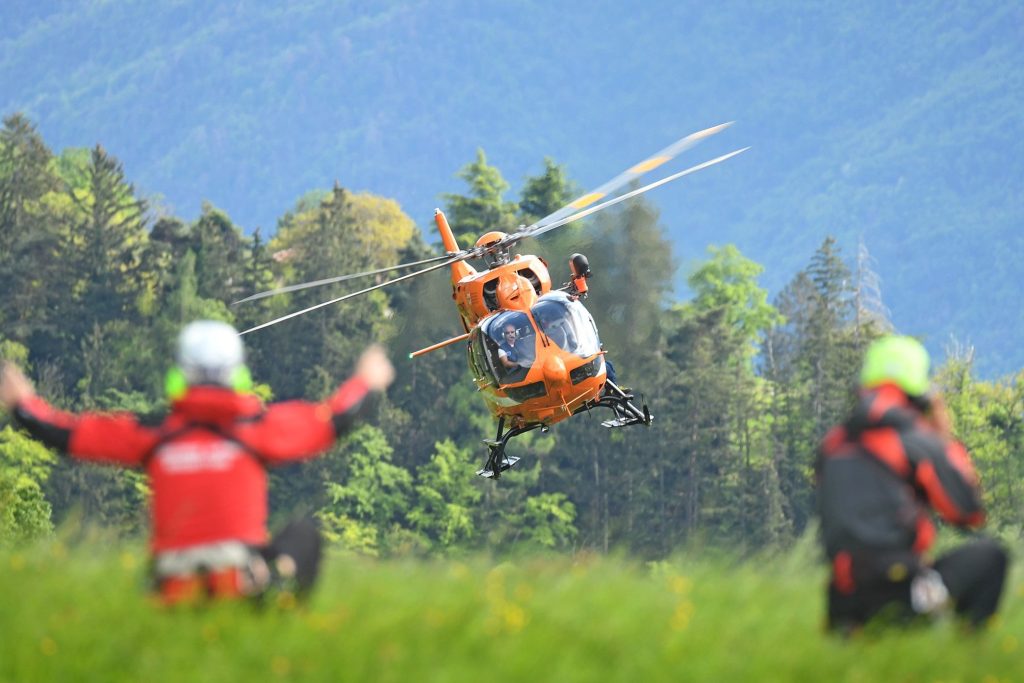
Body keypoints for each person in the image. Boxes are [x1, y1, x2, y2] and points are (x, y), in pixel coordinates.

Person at [0, 319, 394, 605]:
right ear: (236, 373)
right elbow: (334, 420)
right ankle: (281, 610)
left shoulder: (152, 433)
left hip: (172, 592)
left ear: (180, 374)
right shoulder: (258, 429)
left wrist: (23, 405)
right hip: (239, 587)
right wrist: (367, 380)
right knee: (302, 533)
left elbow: (69, 434)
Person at [816, 335, 1007, 634]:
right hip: (901, 593)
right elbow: (968, 513)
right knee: (992, 557)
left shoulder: (833, 444)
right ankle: (968, 658)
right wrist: (943, 439)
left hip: (842, 599)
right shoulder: (916, 443)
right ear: (919, 392)